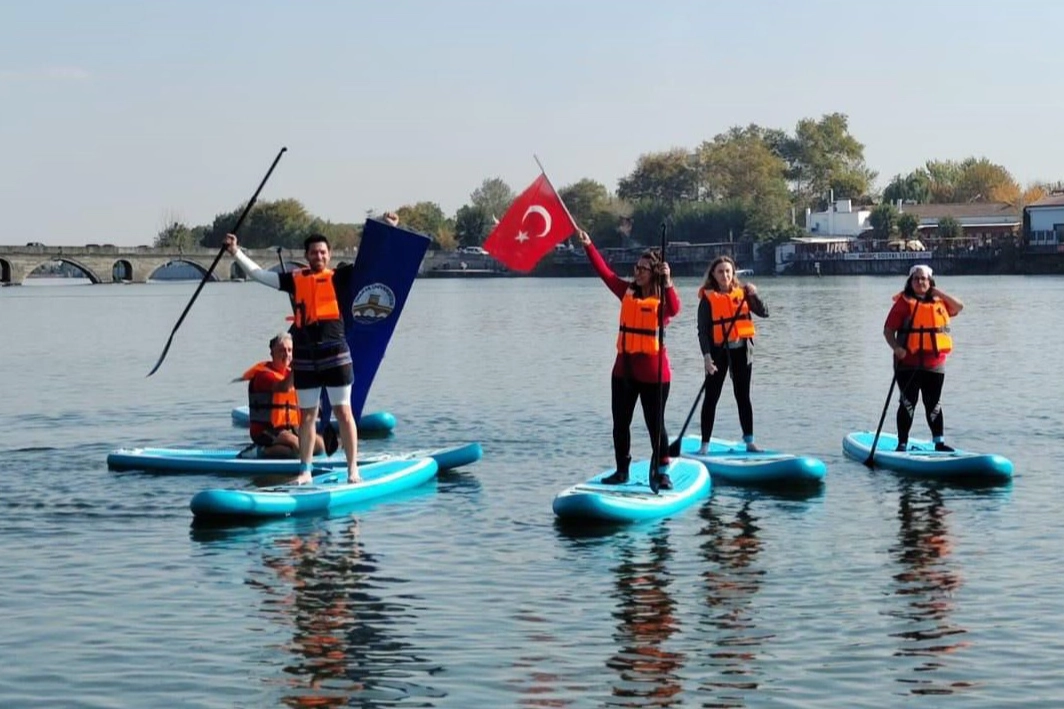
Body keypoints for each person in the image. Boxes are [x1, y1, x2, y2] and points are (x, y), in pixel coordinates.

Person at [225, 232, 360, 484]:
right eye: (313, 252)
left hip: (336, 354)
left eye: (322, 252)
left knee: (343, 412)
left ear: (329, 255)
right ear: (306, 256)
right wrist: (236, 252)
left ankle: (353, 470)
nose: (318, 256)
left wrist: (387, 227)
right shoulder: (295, 279)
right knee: (307, 415)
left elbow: (370, 261)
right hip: (306, 357)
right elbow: (258, 274)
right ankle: (305, 471)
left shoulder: (341, 277)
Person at [577, 229, 680, 489]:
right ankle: (622, 470)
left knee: (655, 426)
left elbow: (675, 309)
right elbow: (606, 274)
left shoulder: (661, 300)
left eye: (644, 268)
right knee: (620, 424)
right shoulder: (626, 292)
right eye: (637, 267)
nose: (638, 271)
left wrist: (668, 282)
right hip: (623, 372)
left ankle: (662, 472)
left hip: (654, 375)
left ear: (654, 272)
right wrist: (589, 245)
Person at [883, 264, 964, 452]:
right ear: (910, 282)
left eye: (924, 279)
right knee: (908, 403)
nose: (920, 282)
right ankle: (902, 443)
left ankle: (939, 443)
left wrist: (939, 292)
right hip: (907, 363)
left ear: (930, 282)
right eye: (916, 279)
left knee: (934, 404)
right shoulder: (903, 303)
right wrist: (896, 348)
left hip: (934, 364)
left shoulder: (939, 302)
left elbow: (959, 306)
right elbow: (888, 331)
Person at [696, 256, 769, 454]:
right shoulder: (707, 299)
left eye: (728, 271)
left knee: (743, 396)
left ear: (733, 273)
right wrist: (706, 356)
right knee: (711, 397)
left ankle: (750, 442)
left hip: (741, 352)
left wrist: (754, 296)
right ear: (713, 274)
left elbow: (764, 312)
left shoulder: (744, 294)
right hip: (718, 353)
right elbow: (702, 331)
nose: (725, 275)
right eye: (720, 271)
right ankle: (705, 445)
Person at [237, 332, 326, 459]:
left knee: (319, 446)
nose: (287, 354)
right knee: (298, 448)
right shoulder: (264, 375)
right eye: (282, 350)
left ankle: (284, 448)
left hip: (291, 428)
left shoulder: (291, 373)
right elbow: (284, 388)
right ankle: (259, 451)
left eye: (290, 350)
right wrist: (297, 367)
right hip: (266, 430)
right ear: (272, 353)